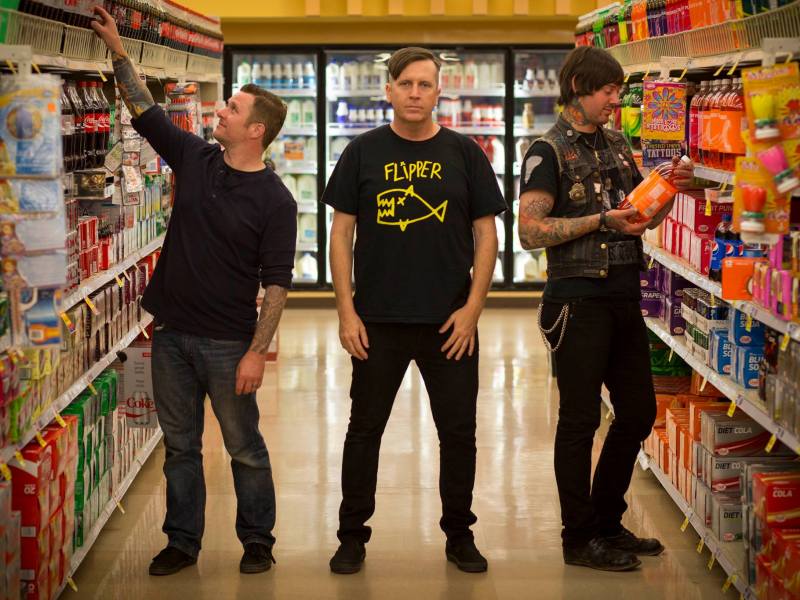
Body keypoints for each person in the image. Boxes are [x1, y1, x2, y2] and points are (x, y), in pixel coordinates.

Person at [91, 6, 297, 577]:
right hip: (172, 335)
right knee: (180, 448)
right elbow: (145, 111)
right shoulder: (196, 157)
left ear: (256, 131)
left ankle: (257, 540)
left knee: (244, 448)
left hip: (229, 344)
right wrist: (118, 50)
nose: (220, 112)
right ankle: (182, 542)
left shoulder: (276, 201)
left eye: (232, 108)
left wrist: (257, 352)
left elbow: (277, 284)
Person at [322, 46, 506, 575]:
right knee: (364, 432)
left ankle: (459, 535)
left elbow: (487, 234)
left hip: (450, 323)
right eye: (405, 84)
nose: (415, 93)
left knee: (459, 434)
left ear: (438, 91)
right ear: (389, 90)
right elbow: (341, 235)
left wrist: (473, 309)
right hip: (376, 321)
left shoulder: (465, 153)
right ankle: (352, 537)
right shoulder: (362, 151)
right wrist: (346, 311)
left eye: (425, 84)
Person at [517, 46, 694, 572]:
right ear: (578, 88)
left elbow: (640, 218)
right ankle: (578, 538)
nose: (616, 100)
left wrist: (669, 190)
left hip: (622, 294)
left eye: (618, 91)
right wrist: (600, 220)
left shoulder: (616, 144)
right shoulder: (547, 151)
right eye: (609, 91)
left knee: (638, 411)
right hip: (575, 301)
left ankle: (607, 521)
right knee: (579, 419)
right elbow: (530, 231)